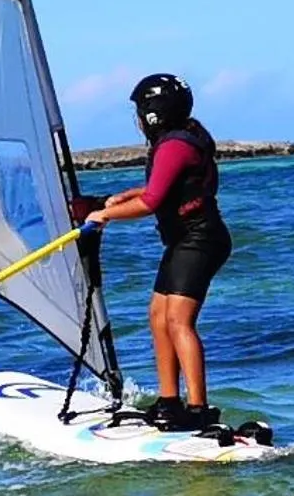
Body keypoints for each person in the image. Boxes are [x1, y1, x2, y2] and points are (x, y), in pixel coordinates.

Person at [81, 74, 233, 432]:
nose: (137, 120)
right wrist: (123, 197)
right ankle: (169, 401)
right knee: (158, 315)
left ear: (153, 114)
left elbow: (151, 202)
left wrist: (104, 215)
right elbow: (163, 186)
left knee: (179, 321)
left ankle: (198, 409)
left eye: (140, 111)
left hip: (200, 239)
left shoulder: (174, 145)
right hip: (184, 240)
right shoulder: (178, 140)